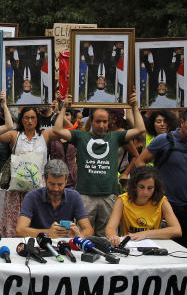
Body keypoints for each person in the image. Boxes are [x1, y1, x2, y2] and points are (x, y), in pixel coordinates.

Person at [54, 93, 146, 233]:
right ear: (91, 121)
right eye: (98, 121)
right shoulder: (81, 136)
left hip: (109, 195)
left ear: (109, 122)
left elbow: (140, 129)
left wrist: (134, 107)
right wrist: (64, 107)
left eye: (104, 122)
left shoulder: (115, 136)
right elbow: (57, 130)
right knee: (81, 235)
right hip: (85, 195)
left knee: (108, 237)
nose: (101, 125)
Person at [127, 108, 187, 250]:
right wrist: (151, 188)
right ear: (182, 122)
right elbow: (140, 162)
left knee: (185, 250)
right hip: (163, 205)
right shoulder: (164, 139)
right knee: (159, 248)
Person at [0, 105, 60, 237]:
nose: (29, 121)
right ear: (21, 120)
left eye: (32, 118)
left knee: (37, 217)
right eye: (26, 118)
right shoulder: (15, 135)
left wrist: (62, 108)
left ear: (37, 120)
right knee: (15, 220)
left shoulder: (45, 135)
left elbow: (59, 130)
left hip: (38, 185)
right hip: (16, 186)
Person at [15, 158, 93, 239]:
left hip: (64, 246)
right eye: (52, 184)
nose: (56, 189)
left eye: (60, 184)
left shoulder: (74, 196)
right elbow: (19, 230)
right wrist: (48, 233)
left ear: (66, 181)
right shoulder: (32, 197)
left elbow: (88, 230)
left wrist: (78, 236)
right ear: (45, 179)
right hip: (38, 245)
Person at [103, 165, 182, 242]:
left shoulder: (162, 201)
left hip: (154, 244)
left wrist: (144, 234)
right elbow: (110, 228)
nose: (145, 192)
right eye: (141, 187)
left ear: (156, 188)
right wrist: (113, 237)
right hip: (130, 244)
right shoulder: (122, 200)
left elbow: (177, 230)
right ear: (134, 186)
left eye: (150, 188)